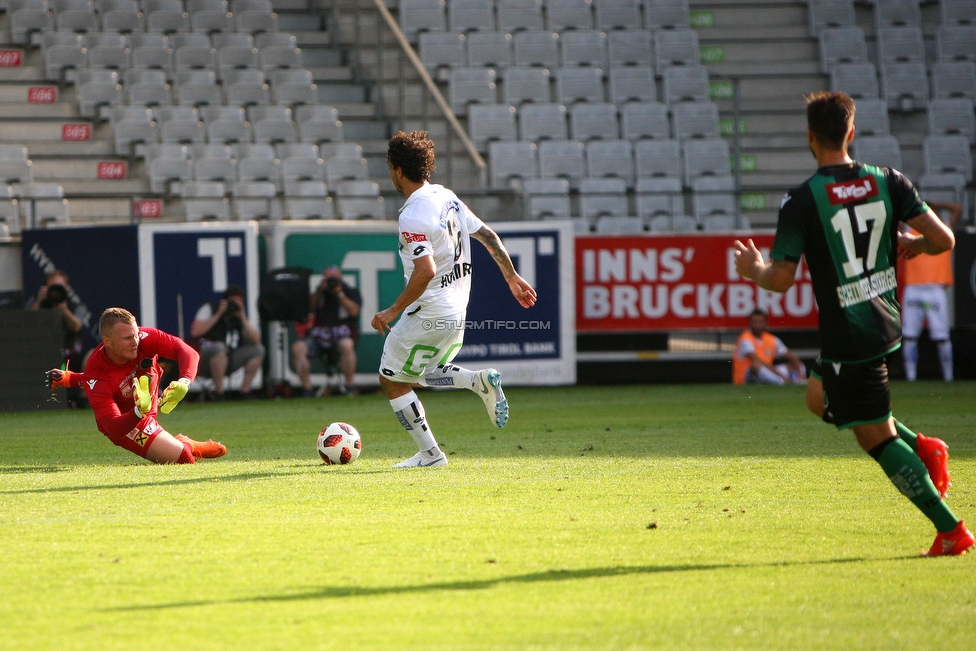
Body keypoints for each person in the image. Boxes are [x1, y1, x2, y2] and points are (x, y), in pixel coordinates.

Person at [733, 91, 973, 556]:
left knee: (875, 437)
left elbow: (780, 280)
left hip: (851, 335)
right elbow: (942, 238)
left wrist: (753, 270)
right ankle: (923, 445)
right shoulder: (888, 180)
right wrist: (914, 244)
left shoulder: (802, 201)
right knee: (816, 398)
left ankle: (951, 530)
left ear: (809, 136)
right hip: (884, 321)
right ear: (851, 132)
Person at [372, 130, 537, 468]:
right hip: (457, 312)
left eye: (390, 167)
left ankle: (431, 455)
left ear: (398, 170)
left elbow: (425, 271)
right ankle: (476, 382)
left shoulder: (412, 214)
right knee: (424, 373)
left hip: (428, 311)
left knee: (391, 380)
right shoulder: (447, 197)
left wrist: (391, 310)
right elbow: (487, 235)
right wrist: (512, 276)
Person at [45, 307, 226, 464]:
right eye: (127, 338)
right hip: (128, 423)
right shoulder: (97, 374)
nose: (135, 342)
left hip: (146, 408)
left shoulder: (144, 338)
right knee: (184, 458)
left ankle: (174, 442)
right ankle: (186, 444)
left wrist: (185, 381)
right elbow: (113, 428)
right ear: (107, 341)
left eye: (135, 334)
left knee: (176, 454)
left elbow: (187, 352)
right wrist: (138, 412)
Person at [901, 200, 961, 382]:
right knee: (910, 336)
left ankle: (948, 377)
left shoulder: (944, 231)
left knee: (942, 336)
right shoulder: (909, 232)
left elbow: (958, 208)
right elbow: (896, 215)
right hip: (913, 288)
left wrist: (936, 204)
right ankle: (910, 377)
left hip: (936, 288)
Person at [290, 265, 362, 396]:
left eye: (333, 278)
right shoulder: (319, 294)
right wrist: (319, 291)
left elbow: (354, 311)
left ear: (340, 278)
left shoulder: (350, 292)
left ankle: (350, 385)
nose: (331, 282)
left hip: (341, 336)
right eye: (328, 278)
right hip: (318, 336)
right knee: (298, 347)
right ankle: (307, 389)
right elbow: (309, 311)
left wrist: (339, 293)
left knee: (347, 345)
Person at [190, 284, 265, 400]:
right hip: (203, 359)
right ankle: (220, 393)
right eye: (232, 302)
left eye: (238, 302)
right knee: (219, 347)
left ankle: (244, 391)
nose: (233, 305)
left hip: (228, 359)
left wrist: (242, 317)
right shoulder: (210, 308)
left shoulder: (238, 318)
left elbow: (255, 341)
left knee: (258, 350)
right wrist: (219, 314)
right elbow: (195, 332)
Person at [732, 308, 806, 385]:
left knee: (796, 365)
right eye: (754, 322)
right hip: (746, 378)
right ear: (750, 323)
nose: (757, 325)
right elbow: (757, 361)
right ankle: (782, 382)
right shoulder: (745, 339)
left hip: (768, 372)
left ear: (766, 323)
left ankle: (798, 381)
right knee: (755, 365)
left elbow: (791, 357)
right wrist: (780, 375)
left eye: (760, 322)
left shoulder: (771, 339)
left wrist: (800, 374)